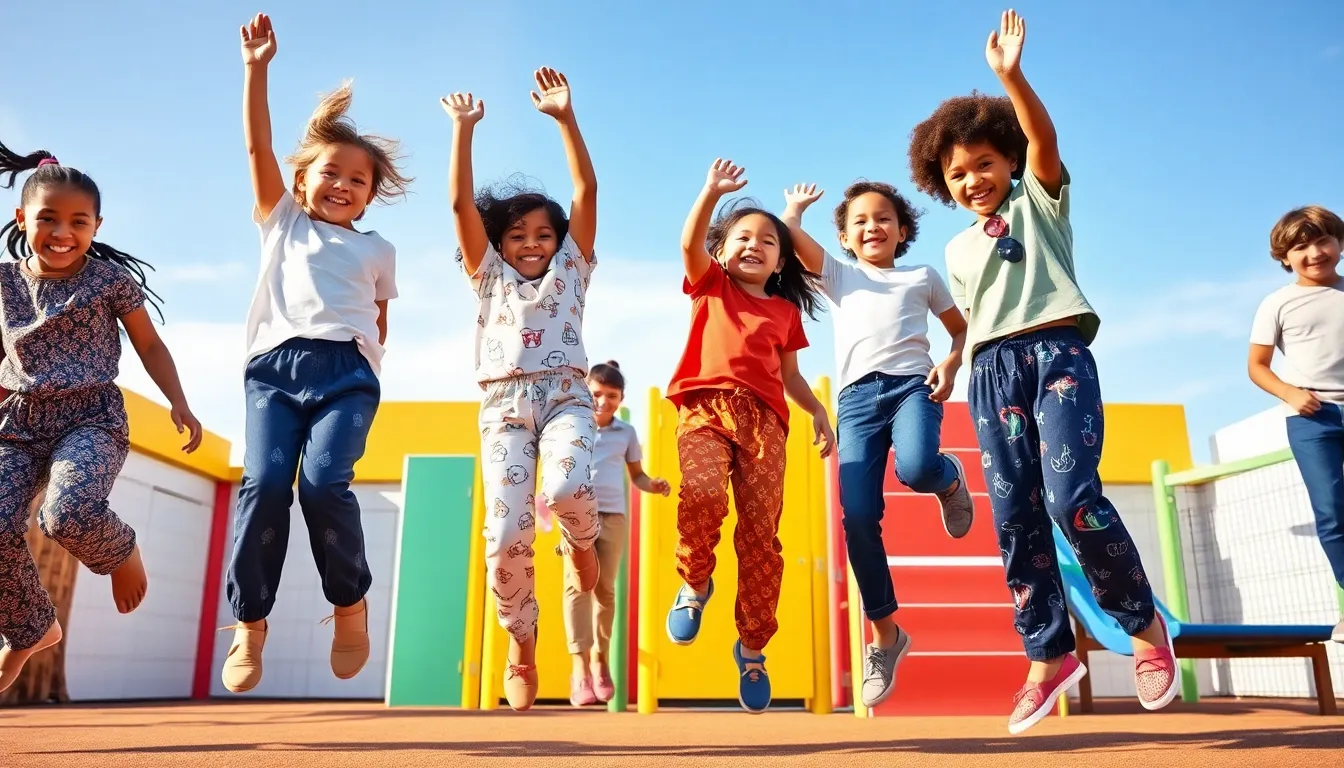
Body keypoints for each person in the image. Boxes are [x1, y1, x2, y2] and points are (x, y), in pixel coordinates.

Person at [907, 10, 1177, 733]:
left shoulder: (1040, 201)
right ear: (942, 183)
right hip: (991, 372)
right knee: (1016, 519)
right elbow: (972, 317)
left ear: (1010, 163)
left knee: (1071, 498)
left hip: (1056, 355)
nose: (973, 180)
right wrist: (952, 358)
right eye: (956, 173)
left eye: (985, 164)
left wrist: (1011, 77)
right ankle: (1047, 655)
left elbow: (1044, 141)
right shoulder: (958, 252)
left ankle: (1145, 627)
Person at [222, 13, 411, 694]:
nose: (343, 185)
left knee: (323, 483)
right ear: (302, 182)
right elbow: (256, 148)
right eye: (330, 173)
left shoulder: (376, 250)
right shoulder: (282, 223)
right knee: (266, 485)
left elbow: (378, 314)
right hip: (273, 373)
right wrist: (256, 70)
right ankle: (250, 623)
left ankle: (349, 605)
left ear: (371, 192)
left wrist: (367, 362)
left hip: (346, 376)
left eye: (358, 179)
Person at [0, 143, 202, 693]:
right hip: (16, 423)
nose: (61, 232)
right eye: (47, 218)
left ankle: (120, 549)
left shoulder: (108, 281)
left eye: (77, 222)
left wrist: (178, 401)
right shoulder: (3, 282)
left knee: (65, 514)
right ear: (22, 219)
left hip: (89, 418)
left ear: (96, 226)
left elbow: (151, 345)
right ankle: (32, 628)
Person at [781, 180, 973, 708]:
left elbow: (961, 330)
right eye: (860, 221)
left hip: (913, 385)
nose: (873, 227)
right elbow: (791, 235)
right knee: (858, 518)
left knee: (915, 468)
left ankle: (946, 477)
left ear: (903, 230)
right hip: (856, 402)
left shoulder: (922, 276)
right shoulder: (839, 276)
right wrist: (795, 210)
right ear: (844, 236)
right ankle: (886, 635)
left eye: (884, 218)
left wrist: (952, 362)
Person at [445, 67, 601, 711]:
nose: (532, 244)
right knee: (507, 530)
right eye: (517, 236)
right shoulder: (487, 277)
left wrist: (565, 119)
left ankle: (583, 540)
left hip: (565, 395)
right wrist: (462, 132)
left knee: (564, 489)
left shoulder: (574, 266)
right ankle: (522, 644)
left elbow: (586, 188)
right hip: (503, 405)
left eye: (543, 234)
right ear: (498, 244)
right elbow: (460, 207)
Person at [664, 158, 834, 714]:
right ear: (722, 251)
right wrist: (710, 190)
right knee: (704, 494)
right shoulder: (710, 284)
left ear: (781, 260)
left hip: (766, 424)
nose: (754, 246)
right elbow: (689, 241)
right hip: (703, 409)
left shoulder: (785, 312)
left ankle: (754, 647)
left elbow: (789, 377)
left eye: (767, 241)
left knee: (761, 536)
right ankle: (695, 582)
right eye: (742, 237)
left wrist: (815, 413)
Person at [1248, 205, 1344, 643]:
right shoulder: (1277, 303)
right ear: (1285, 258)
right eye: (1300, 246)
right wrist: (1290, 393)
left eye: (1323, 240)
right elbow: (1257, 366)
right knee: (1330, 511)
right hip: (1312, 418)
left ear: (1339, 243)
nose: (1315, 252)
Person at [564, 360, 670, 707]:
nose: (603, 401)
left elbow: (637, 475)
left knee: (605, 591)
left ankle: (600, 659)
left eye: (611, 395)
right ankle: (579, 668)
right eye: (597, 393)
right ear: (586, 391)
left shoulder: (626, 433)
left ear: (621, 398)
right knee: (577, 587)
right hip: (576, 516)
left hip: (613, 517)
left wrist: (652, 484)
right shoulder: (570, 426)